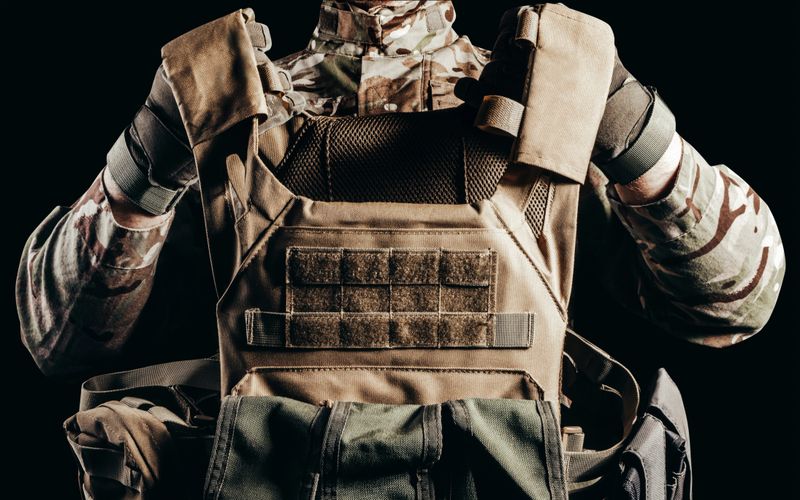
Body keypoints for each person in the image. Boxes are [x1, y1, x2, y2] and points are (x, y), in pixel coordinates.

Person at [16, 0, 784, 379]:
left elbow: (735, 302)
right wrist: (143, 165)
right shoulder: (233, 107)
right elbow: (58, 337)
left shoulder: (547, 101)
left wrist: (634, 134)